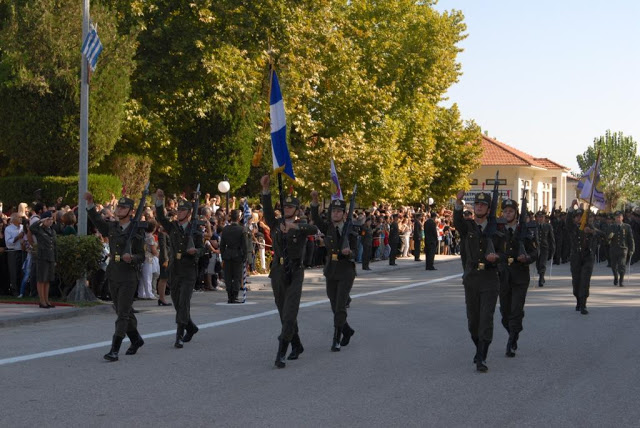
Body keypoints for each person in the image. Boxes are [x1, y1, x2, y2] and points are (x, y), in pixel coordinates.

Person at [261, 175, 318, 368]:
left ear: (296, 209)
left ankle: (281, 352)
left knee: (290, 310)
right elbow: (267, 210)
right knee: (282, 310)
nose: (287, 209)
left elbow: (313, 228)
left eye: (290, 207)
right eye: (285, 207)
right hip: (277, 269)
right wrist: (266, 189)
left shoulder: (300, 225)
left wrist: (296, 226)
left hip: (295, 270)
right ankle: (297, 344)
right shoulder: (276, 224)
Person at [85, 193, 146, 362]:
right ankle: (136, 339)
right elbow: (98, 222)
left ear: (131, 211)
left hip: (129, 275)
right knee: (121, 311)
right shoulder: (112, 227)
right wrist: (91, 205)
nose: (119, 209)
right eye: (118, 206)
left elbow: (142, 256)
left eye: (123, 207)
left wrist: (132, 257)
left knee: (123, 315)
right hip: (113, 273)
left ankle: (114, 350)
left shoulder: (137, 231)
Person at [453, 190, 503, 372]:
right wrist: (458, 202)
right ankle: (478, 347)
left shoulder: (497, 229)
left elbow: (504, 253)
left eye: (483, 205)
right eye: (477, 204)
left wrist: (496, 257)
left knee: (485, 319)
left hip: (490, 279)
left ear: (489, 209)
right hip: (472, 278)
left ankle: (482, 355)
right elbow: (457, 221)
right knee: (473, 321)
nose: (479, 206)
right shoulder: (468, 227)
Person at [155, 189, 204, 348]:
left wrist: (196, 251)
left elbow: (203, 248)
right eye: (178, 210)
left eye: (182, 210)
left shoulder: (195, 229)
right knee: (177, 303)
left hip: (189, 269)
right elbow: (161, 218)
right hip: (175, 268)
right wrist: (159, 201)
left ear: (189, 213)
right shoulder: (173, 226)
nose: (179, 212)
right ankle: (191, 327)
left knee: (184, 302)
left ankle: (179, 335)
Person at [311, 192, 357, 353]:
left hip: (345, 271)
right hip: (331, 269)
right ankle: (347, 330)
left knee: (340, 306)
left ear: (344, 214)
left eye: (338, 211)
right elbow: (316, 219)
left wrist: (349, 252)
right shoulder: (329, 227)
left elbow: (355, 252)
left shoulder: (350, 229)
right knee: (333, 304)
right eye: (333, 211)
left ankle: (336, 338)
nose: (335, 214)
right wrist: (315, 202)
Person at [497, 199, 537, 358]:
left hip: (520, 275)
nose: (508, 214)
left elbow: (534, 252)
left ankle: (511, 341)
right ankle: (514, 331)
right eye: (505, 211)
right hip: (503, 275)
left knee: (516, 310)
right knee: (504, 312)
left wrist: (526, 258)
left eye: (511, 211)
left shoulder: (525, 230)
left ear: (516, 213)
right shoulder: (497, 230)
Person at [566, 201, 603, 315]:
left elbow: (604, 235)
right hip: (576, 257)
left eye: (580, 216)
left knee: (585, 280)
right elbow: (568, 222)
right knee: (576, 281)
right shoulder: (572, 228)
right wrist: (571, 208)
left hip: (588, 257)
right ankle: (578, 300)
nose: (578, 218)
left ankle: (583, 304)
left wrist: (591, 231)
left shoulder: (590, 227)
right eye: (576, 217)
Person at [29, 210, 57, 308]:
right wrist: (40, 221)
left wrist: (55, 259)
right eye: (48, 219)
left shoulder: (52, 231)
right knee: (41, 279)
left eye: (51, 219)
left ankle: (46, 300)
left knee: (48, 280)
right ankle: (42, 301)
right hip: (42, 257)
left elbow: (54, 246)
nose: (50, 221)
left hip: (51, 257)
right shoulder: (39, 230)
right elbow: (31, 228)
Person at [220, 209, 247, 304]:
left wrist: (223, 255)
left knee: (228, 276)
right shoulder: (241, 229)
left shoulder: (225, 229)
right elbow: (244, 245)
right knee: (236, 276)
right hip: (237, 254)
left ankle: (229, 296)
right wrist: (245, 256)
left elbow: (222, 245)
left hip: (228, 254)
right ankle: (234, 296)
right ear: (239, 218)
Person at [607, 211, 635, 286]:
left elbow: (630, 238)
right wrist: (609, 237)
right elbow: (607, 238)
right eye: (617, 217)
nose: (618, 218)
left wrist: (632, 249)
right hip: (613, 248)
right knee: (613, 265)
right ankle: (616, 276)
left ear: (622, 218)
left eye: (619, 217)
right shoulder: (611, 227)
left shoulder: (627, 226)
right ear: (615, 218)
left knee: (622, 265)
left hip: (623, 249)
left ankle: (621, 280)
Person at [5, 213, 25, 297]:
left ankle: (22, 290)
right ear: (13, 219)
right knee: (13, 272)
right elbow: (8, 242)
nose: (20, 219)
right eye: (18, 217)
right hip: (12, 252)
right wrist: (18, 237)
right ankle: (14, 291)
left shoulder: (22, 227)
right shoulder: (8, 229)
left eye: (21, 217)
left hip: (22, 251)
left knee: (22, 271)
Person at [534, 211, 555, 287]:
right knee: (538, 264)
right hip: (536, 248)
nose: (540, 219)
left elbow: (551, 238)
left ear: (544, 218)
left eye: (542, 217)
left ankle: (541, 278)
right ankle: (541, 275)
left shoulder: (548, 226)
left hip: (544, 248)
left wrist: (553, 249)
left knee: (542, 263)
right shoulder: (534, 226)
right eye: (539, 217)